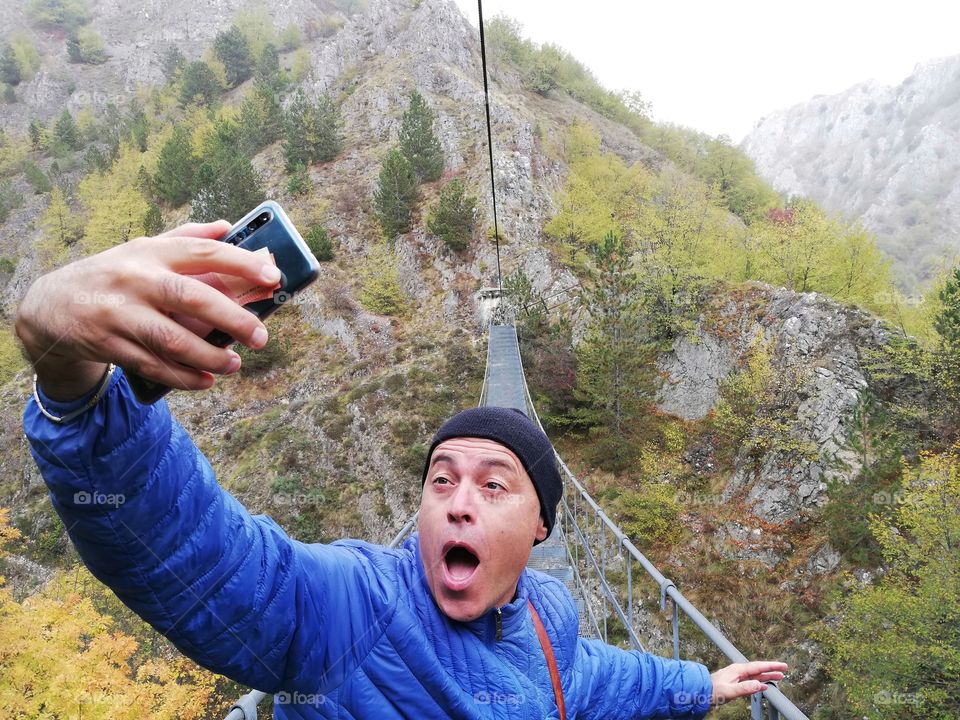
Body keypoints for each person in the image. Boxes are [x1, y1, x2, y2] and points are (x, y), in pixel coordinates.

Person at [16, 221, 787, 719]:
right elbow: (202, 558)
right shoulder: (355, 604)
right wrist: (70, 389)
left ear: (543, 526)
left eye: (495, 485)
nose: (458, 503)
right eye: (441, 479)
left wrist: (704, 684)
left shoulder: (551, 620)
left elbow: (600, 678)